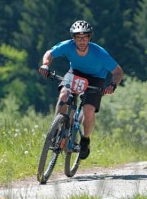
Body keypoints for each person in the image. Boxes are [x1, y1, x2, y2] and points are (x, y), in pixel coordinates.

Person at [38, 20, 123, 160]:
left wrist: (112, 86)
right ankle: (57, 130)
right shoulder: (68, 46)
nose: (81, 41)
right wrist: (46, 64)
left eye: (85, 38)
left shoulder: (100, 53)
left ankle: (85, 140)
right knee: (63, 96)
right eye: (78, 38)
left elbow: (118, 72)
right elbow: (49, 53)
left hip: (96, 78)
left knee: (88, 111)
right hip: (76, 73)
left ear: (89, 38)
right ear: (73, 38)